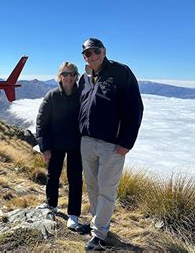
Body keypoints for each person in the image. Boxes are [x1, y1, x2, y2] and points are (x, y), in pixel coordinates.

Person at [78, 38, 144, 250]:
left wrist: (127, 141)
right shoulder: (87, 76)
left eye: (95, 51)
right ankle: (98, 223)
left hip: (112, 144)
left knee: (107, 189)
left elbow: (135, 108)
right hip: (87, 141)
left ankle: (99, 235)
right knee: (92, 185)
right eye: (88, 53)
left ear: (104, 51)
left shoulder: (121, 72)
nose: (92, 56)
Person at [35, 62, 83, 230]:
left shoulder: (83, 95)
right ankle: (51, 205)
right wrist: (44, 147)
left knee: (75, 179)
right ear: (59, 76)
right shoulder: (52, 95)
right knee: (53, 175)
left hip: (77, 145)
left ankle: (73, 215)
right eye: (65, 74)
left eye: (71, 74)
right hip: (55, 144)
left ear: (76, 76)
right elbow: (41, 122)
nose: (68, 77)